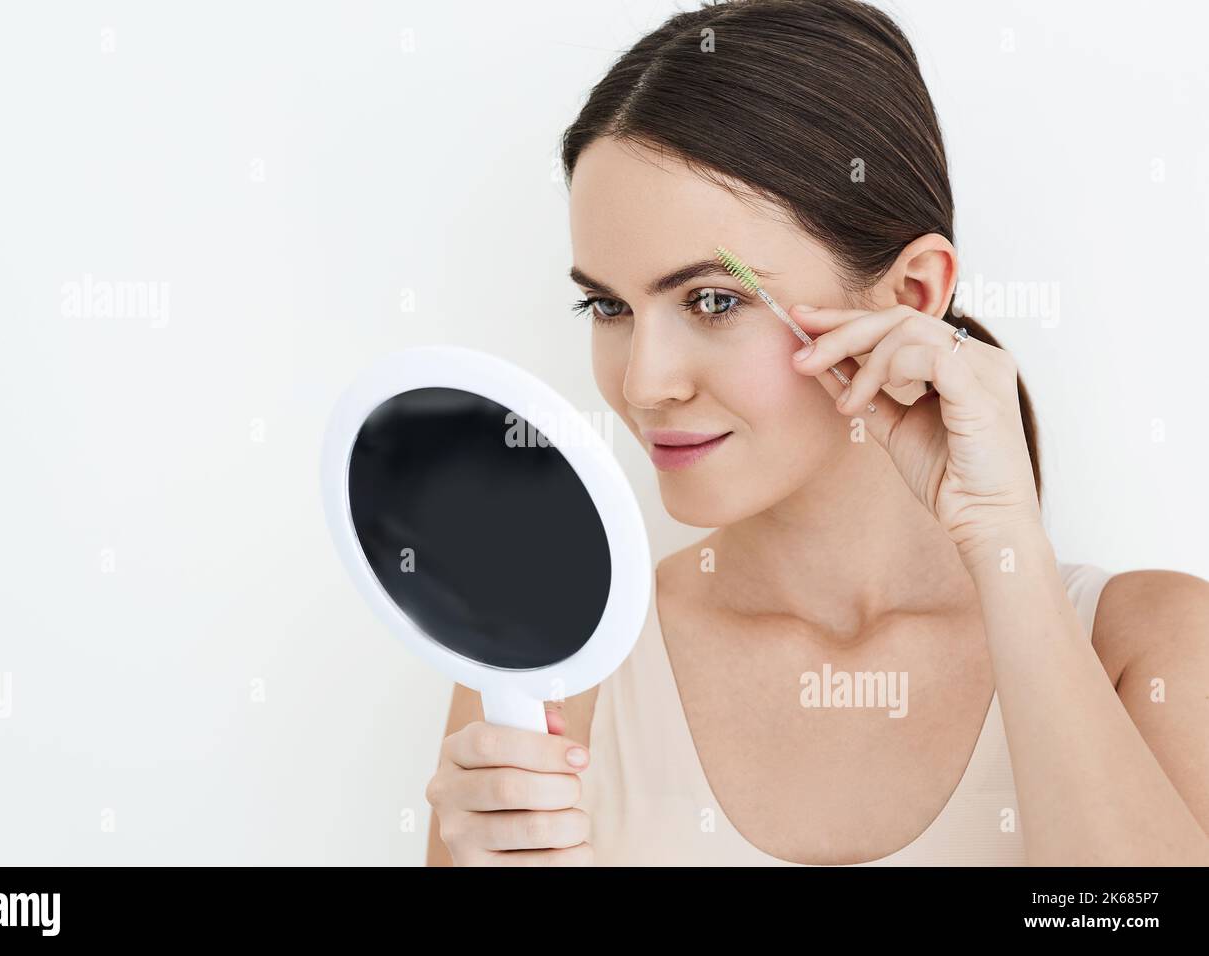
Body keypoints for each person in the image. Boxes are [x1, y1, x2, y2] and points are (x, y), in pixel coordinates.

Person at [424, 0, 1209, 866]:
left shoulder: (1154, 645)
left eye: (713, 300)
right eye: (608, 305)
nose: (643, 384)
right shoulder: (554, 671)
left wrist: (1003, 542)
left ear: (913, 293)